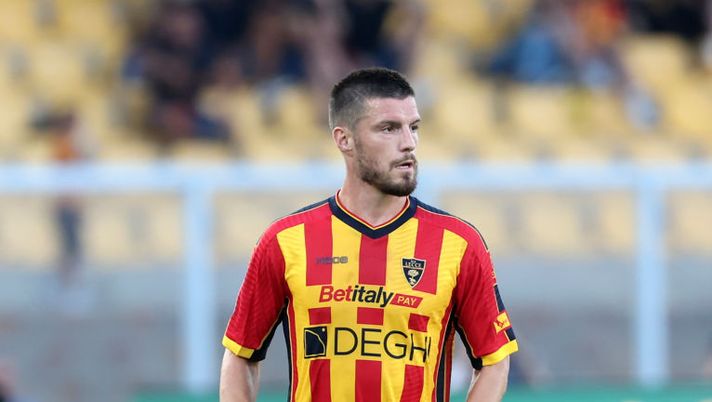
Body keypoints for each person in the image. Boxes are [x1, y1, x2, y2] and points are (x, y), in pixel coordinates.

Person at [219, 67, 518, 401]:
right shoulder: (287, 241)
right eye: (388, 128)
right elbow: (240, 354)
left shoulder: (459, 244)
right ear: (344, 139)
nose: (408, 143)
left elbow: (494, 361)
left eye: (413, 127)